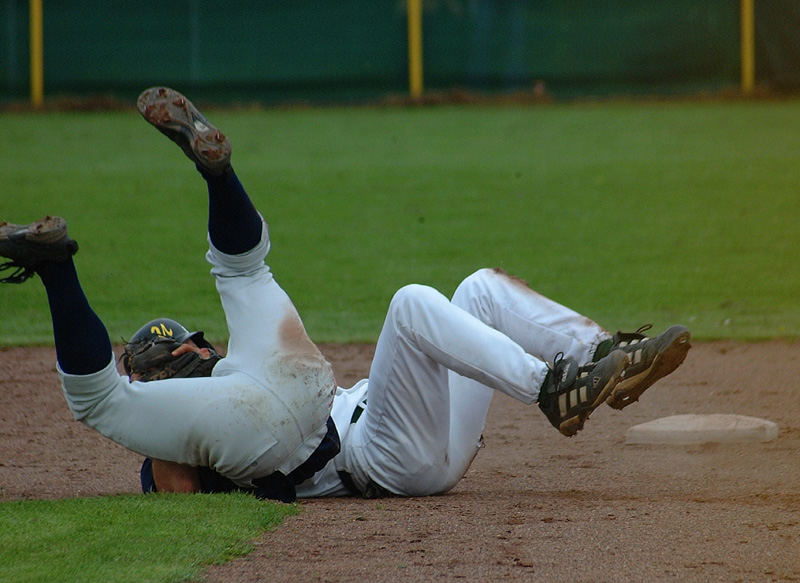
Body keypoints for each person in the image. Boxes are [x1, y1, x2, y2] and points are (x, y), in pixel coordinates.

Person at [0, 87, 691, 501]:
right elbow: (172, 482)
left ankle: (601, 358)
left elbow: (114, 411)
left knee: (475, 290)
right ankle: (551, 387)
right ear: (194, 347)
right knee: (372, 296)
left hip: (388, 431)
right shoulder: (184, 439)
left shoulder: (173, 423)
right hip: (382, 454)